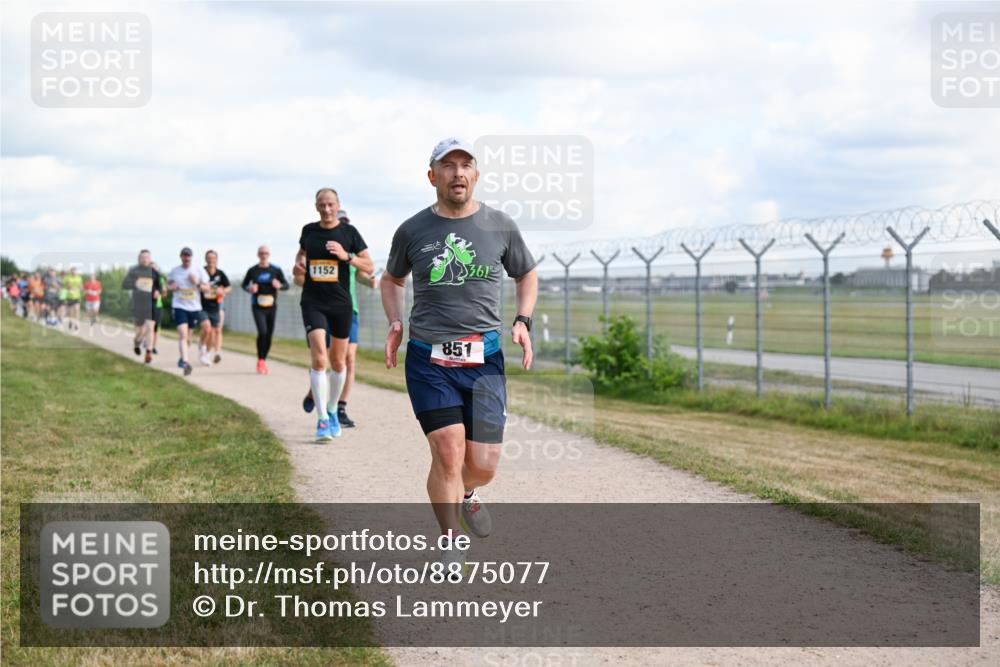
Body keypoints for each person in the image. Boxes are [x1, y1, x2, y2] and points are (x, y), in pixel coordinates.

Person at [381, 137, 538, 573]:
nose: (457, 173)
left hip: (484, 359)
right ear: (432, 176)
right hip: (428, 359)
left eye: (465, 164)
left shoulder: (499, 225)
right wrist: (395, 322)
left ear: (476, 174)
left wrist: (522, 322)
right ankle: (450, 540)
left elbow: (526, 273)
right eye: (447, 166)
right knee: (448, 451)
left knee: (482, 466)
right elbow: (391, 280)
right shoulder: (413, 230)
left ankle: (468, 493)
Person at [293, 189, 374, 441]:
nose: (326, 209)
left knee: (339, 363)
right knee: (319, 359)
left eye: (330, 205)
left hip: (341, 304)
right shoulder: (308, 231)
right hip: (313, 302)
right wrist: (298, 264)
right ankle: (322, 420)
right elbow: (300, 256)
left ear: (337, 205)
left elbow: (369, 265)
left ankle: (332, 409)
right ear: (316, 206)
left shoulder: (349, 233)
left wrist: (346, 256)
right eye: (321, 205)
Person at [241, 245, 289, 374]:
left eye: (266, 253)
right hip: (257, 306)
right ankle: (260, 360)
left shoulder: (276, 270)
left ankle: (262, 360)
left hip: (272, 306)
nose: (264, 255)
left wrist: (279, 285)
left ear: (269, 254)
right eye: (261, 253)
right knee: (262, 332)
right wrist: (250, 289)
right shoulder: (253, 270)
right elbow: (244, 285)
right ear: (258, 255)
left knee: (269, 334)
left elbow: (286, 285)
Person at [166, 247, 208, 376]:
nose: (186, 258)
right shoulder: (174, 271)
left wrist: (197, 283)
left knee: (189, 337)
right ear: (181, 257)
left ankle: (183, 356)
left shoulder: (199, 270)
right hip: (179, 306)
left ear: (192, 257)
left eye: (188, 256)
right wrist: (171, 287)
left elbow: (207, 289)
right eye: (184, 256)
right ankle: (185, 362)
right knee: (183, 335)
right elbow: (167, 285)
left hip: (194, 308)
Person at [121, 250, 161, 363]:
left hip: (151, 304)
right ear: (139, 259)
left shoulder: (154, 272)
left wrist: (158, 291)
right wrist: (135, 283)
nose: (145, 259)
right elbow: (124, 285)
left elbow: (160, 286)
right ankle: (137, 342)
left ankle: (148, 352)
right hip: (138, 304)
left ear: (150, 259)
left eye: (147, 257)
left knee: (150, 327)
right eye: (142, 257)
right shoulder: (134, 271)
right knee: (140, 331)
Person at [198, 250, 231, 365]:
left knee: (213, 332)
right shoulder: (201, 272)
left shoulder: (220, 274)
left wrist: (222, 291)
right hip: (201, 306)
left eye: (213, 258)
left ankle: (207, 353)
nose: (211, 260)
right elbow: (194, 284)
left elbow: (228, 288)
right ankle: (202, 347)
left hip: (215, 307)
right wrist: (201, 287)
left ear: (216, 260)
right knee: (207, 328)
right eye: (209, 258)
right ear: (205, 259)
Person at [62, 266, 83, 332]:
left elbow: (80, 285)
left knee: (77, 310)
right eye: (72, 271)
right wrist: (70, 288)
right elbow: (67, 285)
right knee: (71, 312)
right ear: (70, 272)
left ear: (76, 272)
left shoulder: (79, 278)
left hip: (77, 297)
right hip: (69, 297)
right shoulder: (68, 278)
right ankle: (70, 322)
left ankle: (77, 323)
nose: (74, 272)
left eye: (75, 271)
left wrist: (81, 288)